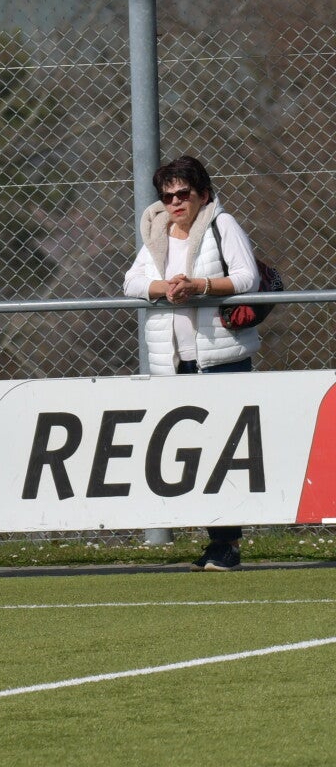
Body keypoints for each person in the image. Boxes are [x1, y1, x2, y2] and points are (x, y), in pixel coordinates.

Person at [123, 155, 263, 572]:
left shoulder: (223, 224)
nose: (175, 203)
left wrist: (198, 286)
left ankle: (227, 545)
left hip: (221, 359)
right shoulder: (157, 232)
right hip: (175, 362)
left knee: (227, 455)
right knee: (195, 456)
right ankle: (215, 540)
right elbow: (130, 282)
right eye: (168, 196)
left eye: (183, 194)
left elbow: (247, 278)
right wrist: (163, 288)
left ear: (203, 194)